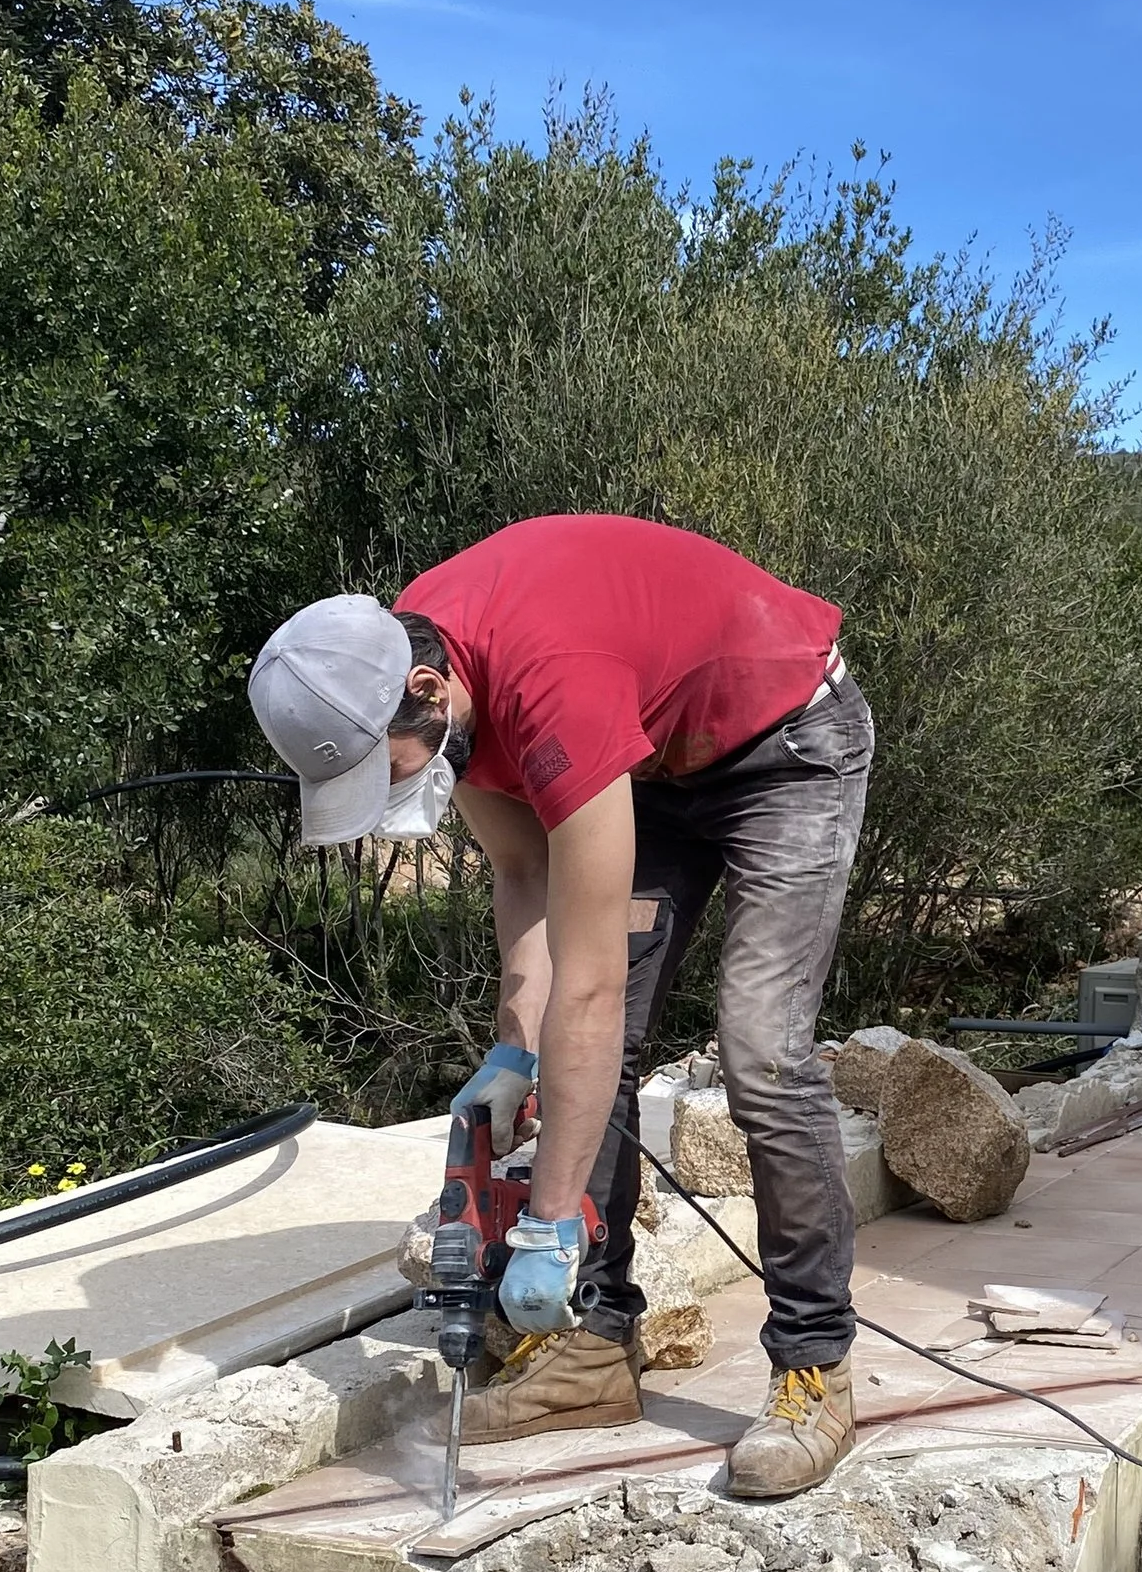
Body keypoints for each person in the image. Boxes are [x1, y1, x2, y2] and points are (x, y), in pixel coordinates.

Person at [247, 514, 872, 1498]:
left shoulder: (548, 685)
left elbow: (587, 984)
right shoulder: (426, 682)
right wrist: (513, 1049)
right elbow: (522, 867)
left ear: (426, 692)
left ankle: (813, 1369)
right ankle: (593, 1346)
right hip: (654, 763)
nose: (396, 790)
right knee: (591, 1052)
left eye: (389, 769)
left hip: (785, 742)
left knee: (761, 1050)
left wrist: (544, 1227)